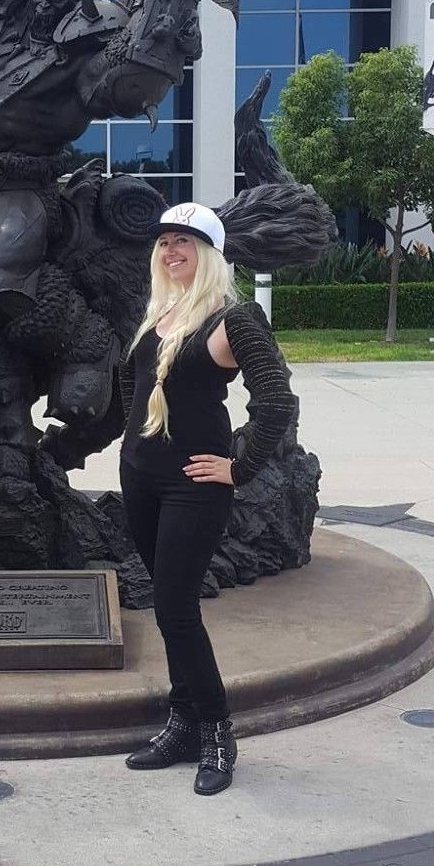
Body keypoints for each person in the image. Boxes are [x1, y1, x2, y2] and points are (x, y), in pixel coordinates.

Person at [118, 202, 297, 796]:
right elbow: (134, 385)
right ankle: (182, 722)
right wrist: (132, 445)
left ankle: (217, 730)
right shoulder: (157, 312)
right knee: (167, 608)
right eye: (166, 242)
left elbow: (276, 402)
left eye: (186, 243)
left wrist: (239, 467)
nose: (172, 252)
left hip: (194, 486)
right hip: (142, 479)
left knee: (175, 608)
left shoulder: (233, 319)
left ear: (210, 254)